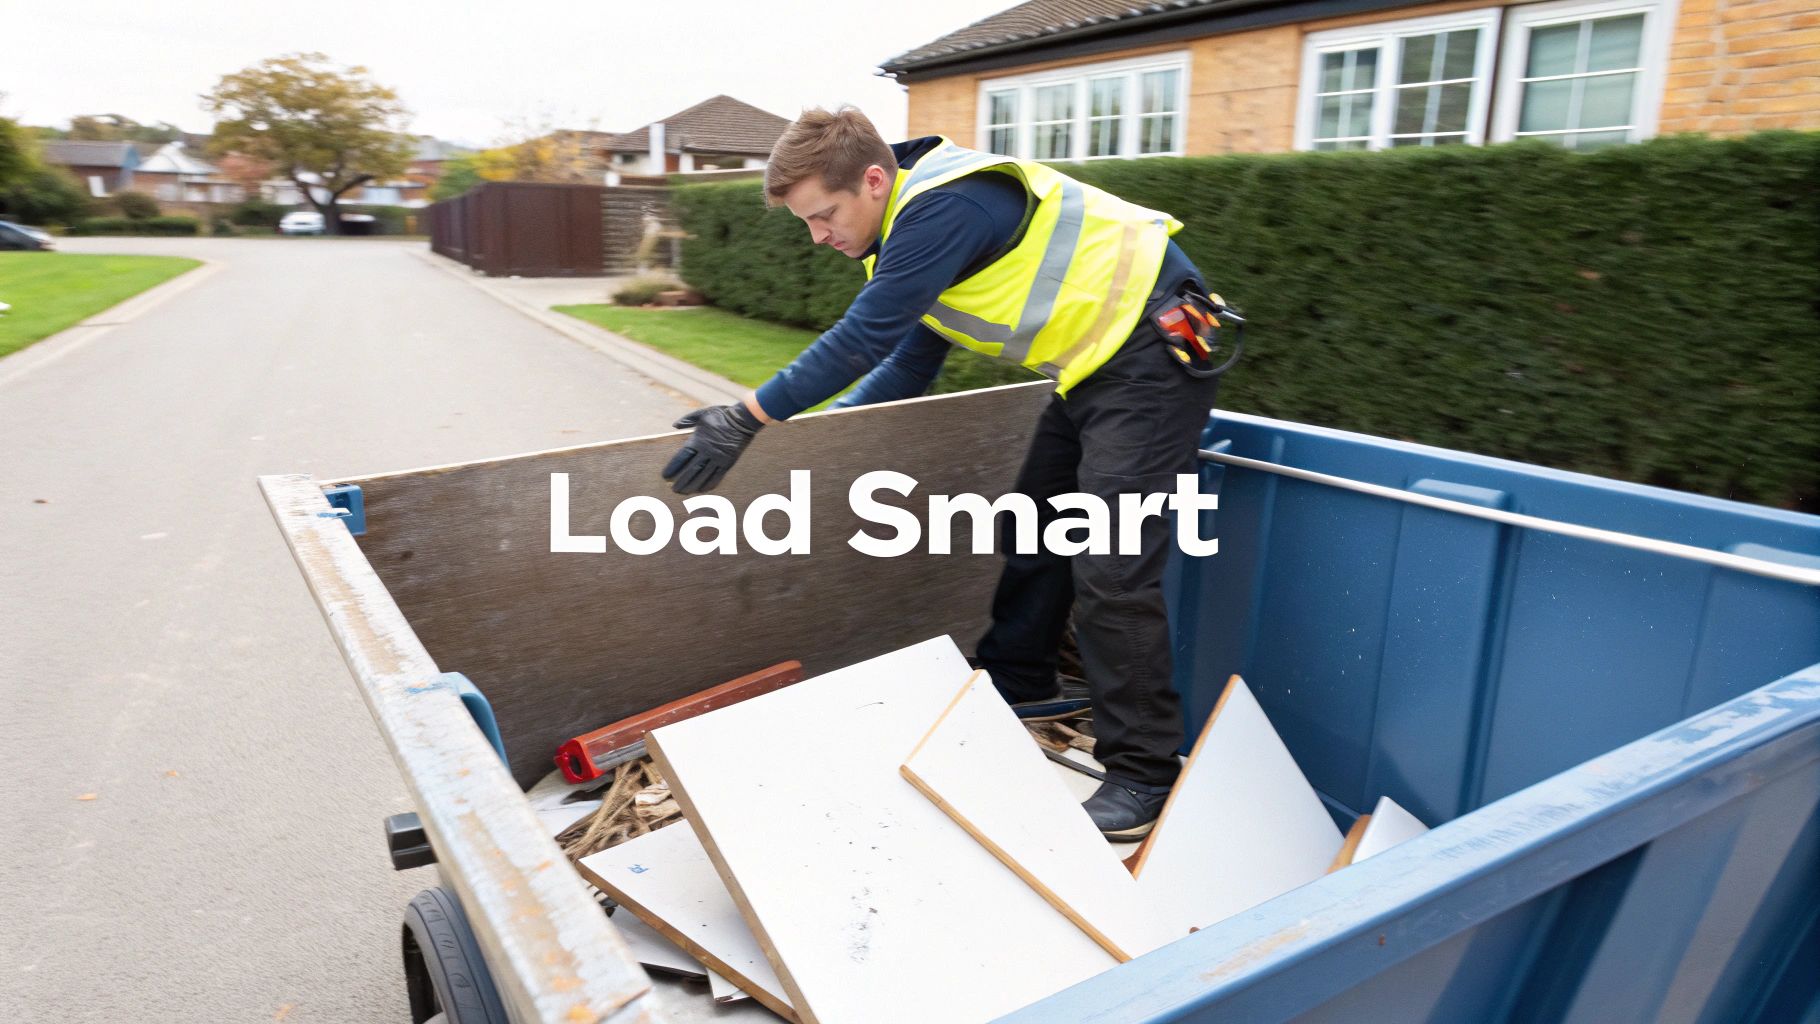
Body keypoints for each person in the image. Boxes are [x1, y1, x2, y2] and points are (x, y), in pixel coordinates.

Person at [661, 106, 1237, 840]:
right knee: (1032, 521)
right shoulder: (904, 232)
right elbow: (907, 358)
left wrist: (748, 416)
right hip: (1094, 369)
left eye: (824, 215)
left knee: (1114, 565)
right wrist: (827, 437)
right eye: (806, 223)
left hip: (1153, 353)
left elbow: (865, 337)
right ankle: (1021, 684)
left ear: (873, 180)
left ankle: (1144, 773)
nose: (818, 237)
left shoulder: (948, 206)